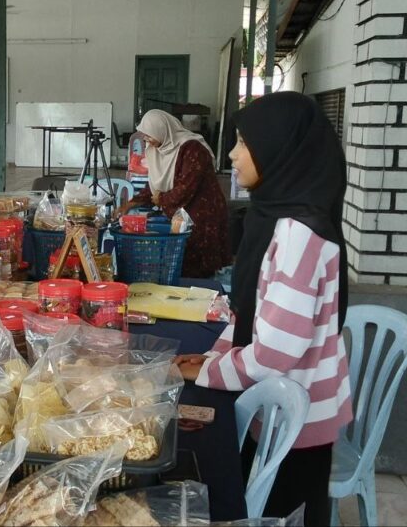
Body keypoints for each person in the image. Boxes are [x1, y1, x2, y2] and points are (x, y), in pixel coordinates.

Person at [174, 92, 352, 526]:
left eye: (243, 142)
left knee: (286, 513)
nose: (232, 154)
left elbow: (275, 353)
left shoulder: (298, 235)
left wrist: (208, 372)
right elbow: (251, 312)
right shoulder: (279, 216)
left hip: (295, 416)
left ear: (277, 149)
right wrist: (212, 358)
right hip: (282, 404)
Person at [116, 109, 229, 278]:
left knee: (198, 269)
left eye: (149, 135)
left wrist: (160, 199)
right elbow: (154, 185)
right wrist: (130, 204)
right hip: (181, 215)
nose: (146, 139)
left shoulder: (192, 148)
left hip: (202, 213)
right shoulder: (157, 150)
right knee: (181, 265)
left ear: (162, 130)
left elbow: (186, 187)